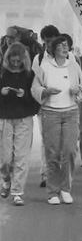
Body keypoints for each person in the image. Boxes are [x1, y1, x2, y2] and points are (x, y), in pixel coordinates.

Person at [31, 36, 82, 205]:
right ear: (54, 48)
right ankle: (52, 191)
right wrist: (45, 91)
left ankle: (65, 188)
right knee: (52, 153)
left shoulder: (74, 65)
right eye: (61, 45)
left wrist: (78, 90)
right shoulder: (45, 65)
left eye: (67, 45)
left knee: (70, 151)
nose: (65, 48)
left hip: (71, 112)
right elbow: (35, 88)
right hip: (51, 113)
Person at [0, 42, 39, 206]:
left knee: (21, 156)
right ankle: (6, 179)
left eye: (19, 61)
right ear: (8, 59)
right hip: (5, 118)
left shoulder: (30, 75)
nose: (16, 64)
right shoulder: (2, 73)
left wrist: (25, 95)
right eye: (13, 61)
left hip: (24, 118)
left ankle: (17, 192)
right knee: (6, 157)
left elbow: (37, 101)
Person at [32, 24, 59, 188]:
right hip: (45, 106)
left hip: (65, 107)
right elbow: (34, 83)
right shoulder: (39, 59)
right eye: (46, 41)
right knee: (47, 140)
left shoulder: (68, 57)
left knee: (60, 142)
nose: (49, 44)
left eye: (51, 41)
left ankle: (58, 171)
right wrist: (43, 92)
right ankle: (46, 173)